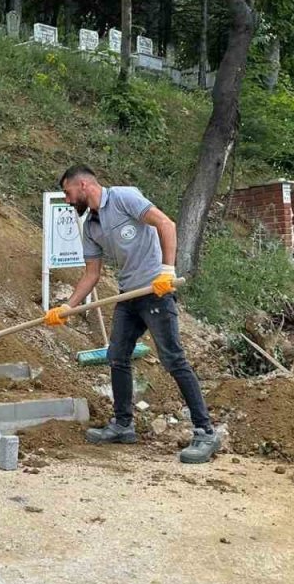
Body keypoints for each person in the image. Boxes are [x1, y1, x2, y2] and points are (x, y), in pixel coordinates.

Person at [44, 165, 222, 464]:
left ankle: (206, 432)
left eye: (68, 192)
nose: (67, 199)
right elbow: (92, 274)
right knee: (117, 355)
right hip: (129, 296)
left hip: (156, 290)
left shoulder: (124, 198)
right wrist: (68, 307)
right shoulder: (91, 227)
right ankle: (123, 424)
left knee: (173, 359)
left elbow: (166, 224)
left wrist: (167, 270)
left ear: (84, 185)